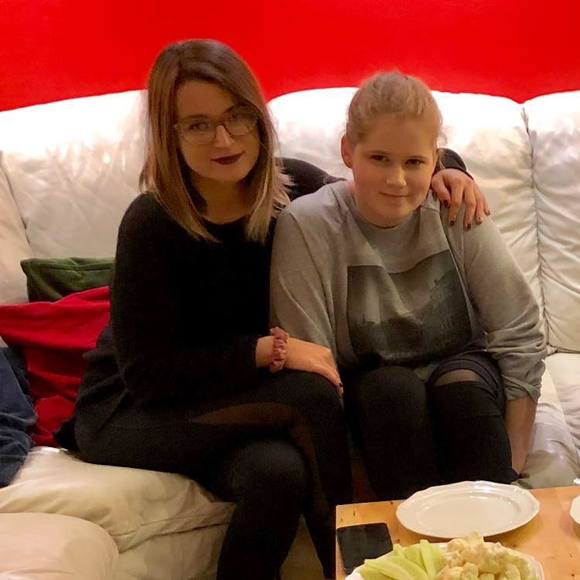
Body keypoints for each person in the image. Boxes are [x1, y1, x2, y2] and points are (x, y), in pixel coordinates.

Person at [55, 41, 489, 580]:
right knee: (308, 394)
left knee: (277, 472)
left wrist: (450, 168)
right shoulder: (151, 223)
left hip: (234, 397)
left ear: (258, 118)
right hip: (135, 409)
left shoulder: (292, 187)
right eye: (198, 125)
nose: (224, 139)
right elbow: (149, 375)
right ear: (170, 134)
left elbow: (382, 175)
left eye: (237, 116)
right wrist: (266, 351)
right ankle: (366, 568)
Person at [270, 72, 546, 502]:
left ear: (435, 160)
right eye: (379, 158)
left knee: (462, 396)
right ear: (347, 151)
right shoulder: (307, 225)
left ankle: (494, 519)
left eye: (414, 162)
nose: (397, 180)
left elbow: (520, 332)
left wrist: (513, 459)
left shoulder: (455, 206)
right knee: (392, 391)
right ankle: (412, 535)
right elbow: (316, 370)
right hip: (376, 394)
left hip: (463, 373)